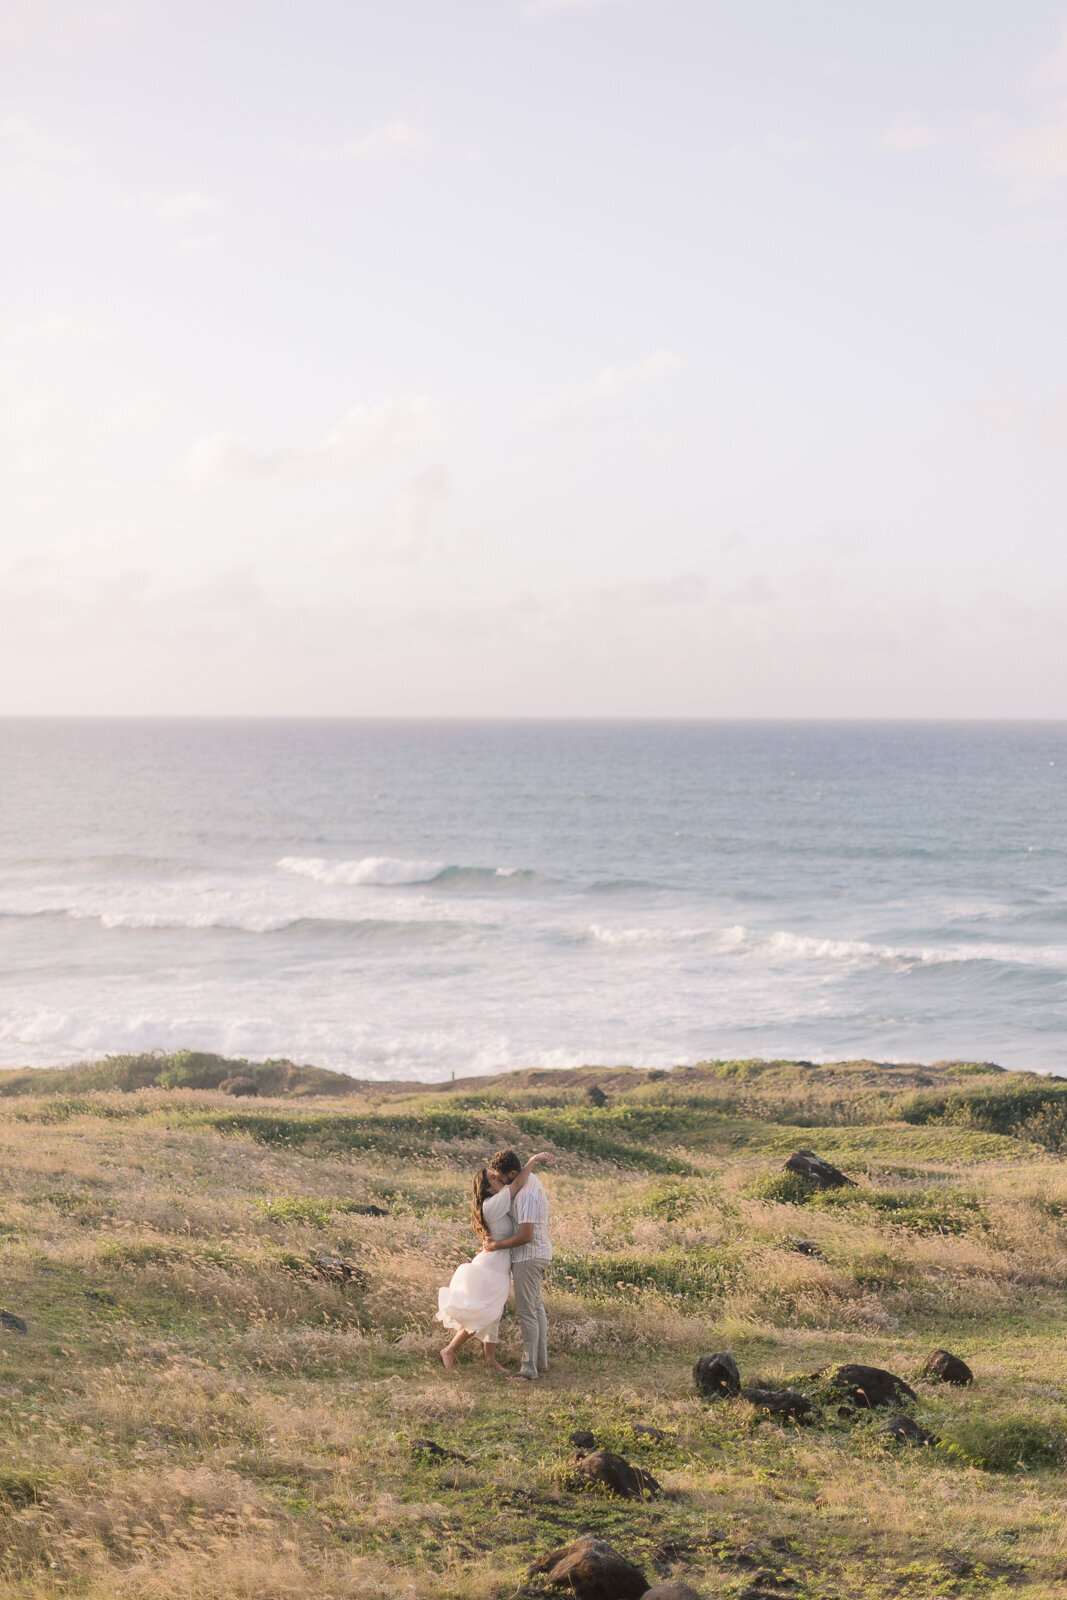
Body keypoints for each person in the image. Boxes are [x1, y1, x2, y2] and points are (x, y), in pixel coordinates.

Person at [437, 1150, 553, 1374]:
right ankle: (449, 1349)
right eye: (493, 1177)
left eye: (498, 1175)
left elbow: (518, 1183)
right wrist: (532, 1161)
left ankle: (490, 1359)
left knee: (494, 1311)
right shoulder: (494, 1202)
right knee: (486, 1310)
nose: (498, 1179)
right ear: (487, 1188)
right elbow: (518, 1181)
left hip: (498, 1261)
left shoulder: (497, 1200)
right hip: (493, 1264)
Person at [484, 1147, 552, 1384]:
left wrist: (496, 1245)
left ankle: (528, 1370)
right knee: (536, 1308)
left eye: (502, 1179)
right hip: (536, 1255)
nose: (500, 1183)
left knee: (527, 1312)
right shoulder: (528, 1180)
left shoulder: (526, 1196)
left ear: (513, 1173)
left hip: (529, 1256)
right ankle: (541, 1363)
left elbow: (526, 1236)